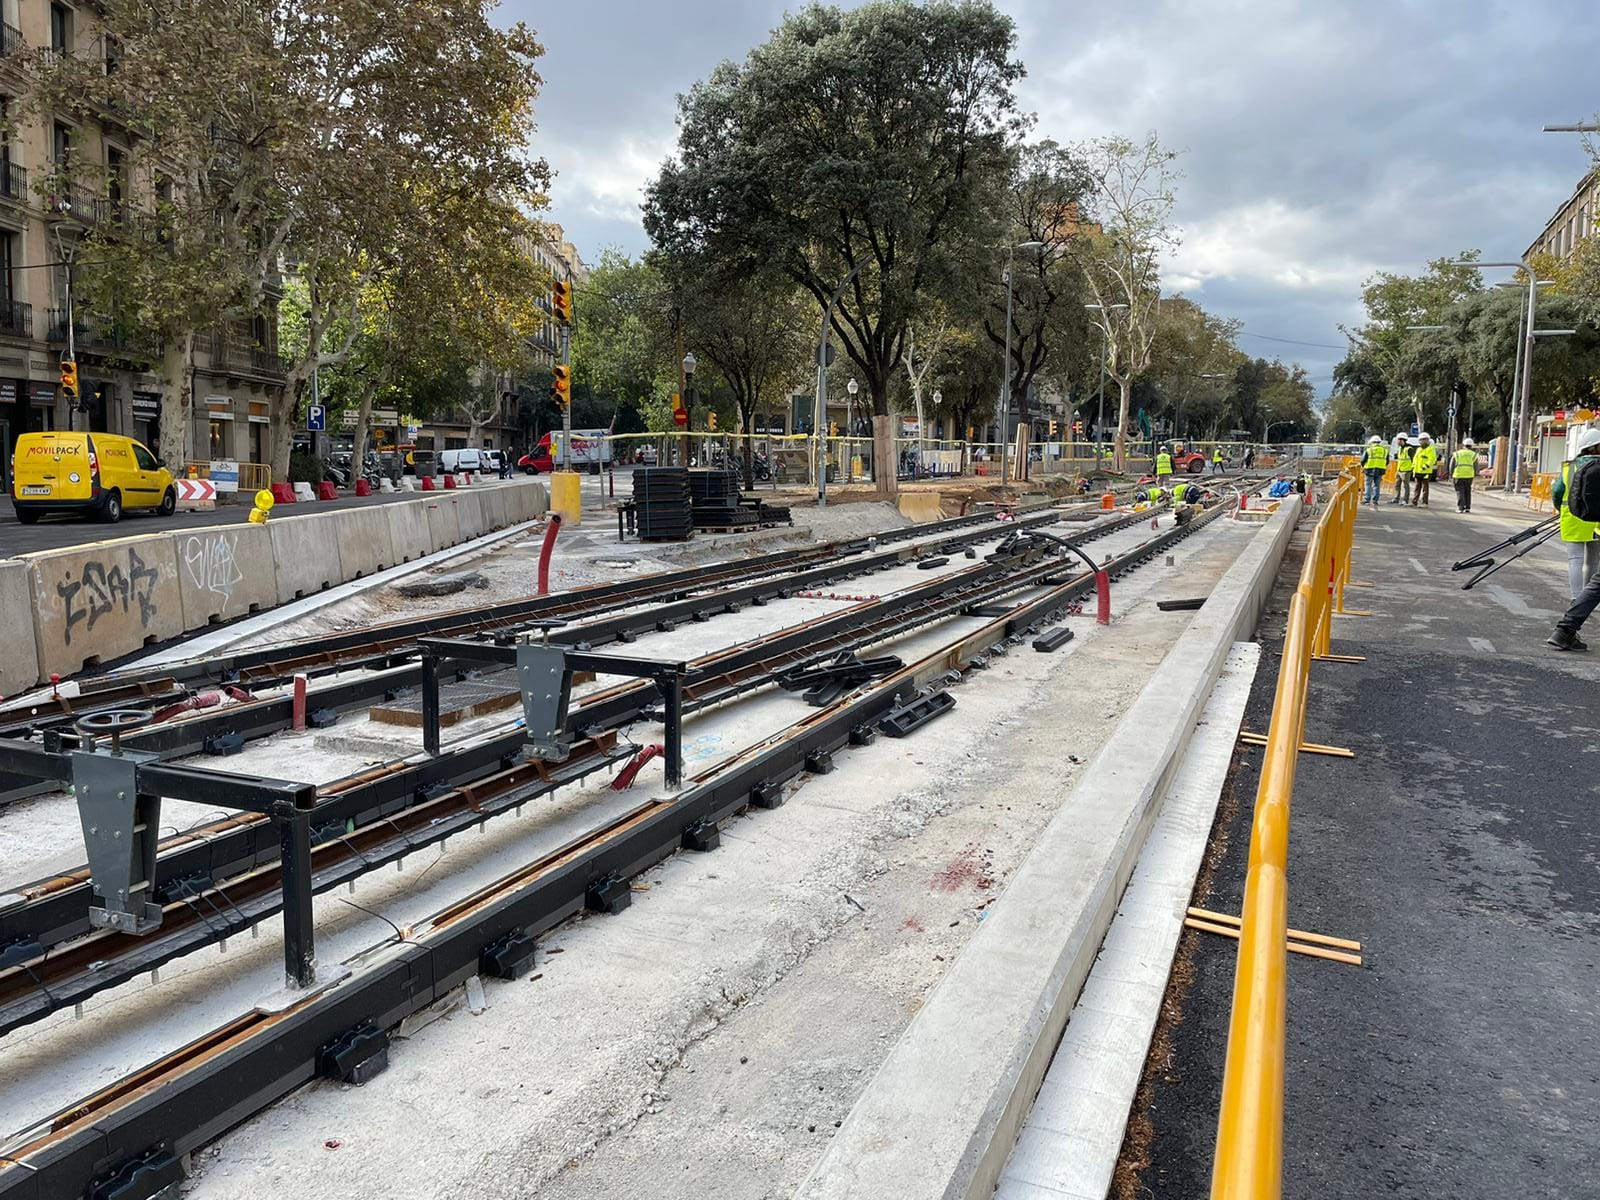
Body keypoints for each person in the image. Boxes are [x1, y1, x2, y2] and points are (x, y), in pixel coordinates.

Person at [1550, 427, 1600, 602]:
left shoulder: (1569, 467)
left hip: (1573, 518)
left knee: (1575, 560)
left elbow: (1557, 492)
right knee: (1593, 561)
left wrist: (1561, 508)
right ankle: (1589, 596)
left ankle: (1576, 597)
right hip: (1597, 522)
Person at [1452, 438, 1479, 512]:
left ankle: (1460, 507)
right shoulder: (1473, 454)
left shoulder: (1457, 453)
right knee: (1467, 491)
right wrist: (1476, 473)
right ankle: (1467, 507)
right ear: (1471, 446)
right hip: (1469, 475)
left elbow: (1452, 464)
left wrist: (1451, 474)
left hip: (1458, 474)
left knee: (1460, 491)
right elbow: (1476, 466)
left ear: (1463, 445)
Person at [1361, 434, 1388, 507]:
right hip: (1380, 470)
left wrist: (1363, 467)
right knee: (1377, 485)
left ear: (1372, 442)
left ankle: (1367, 500)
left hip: (1369, 469)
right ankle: (1375, 500)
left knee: (1368, 485)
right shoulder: (1385, 450)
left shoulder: (1369, 450)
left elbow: (1363, 460)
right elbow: (1387, 461)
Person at [1410, 433, 1436, 507]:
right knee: (1417, 487)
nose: (1422, 442)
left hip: (1426, 472)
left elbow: (1432, 460)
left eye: (1424, 440)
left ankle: (1425, 503)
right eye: (1421, 440)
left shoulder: (1430, 449)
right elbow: (1415, 460)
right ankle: (1414, 502)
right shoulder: (1418, 449)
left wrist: (1425, 466)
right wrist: (1413, 468)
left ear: (1427, 441)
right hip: (1417, 471)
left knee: (1425, 487)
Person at [1392, 434, 1412, 505]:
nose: (1397, 441)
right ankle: (1396, 498)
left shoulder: (1409, 449)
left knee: (1406, 486)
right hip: (1399, 469)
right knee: (1397, 485)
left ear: (1402, 440)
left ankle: (1405, 500)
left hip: (1406, 470)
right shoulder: (1400, 448)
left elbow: (1413, 460)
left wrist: (1412, 469)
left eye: (1398, 440)